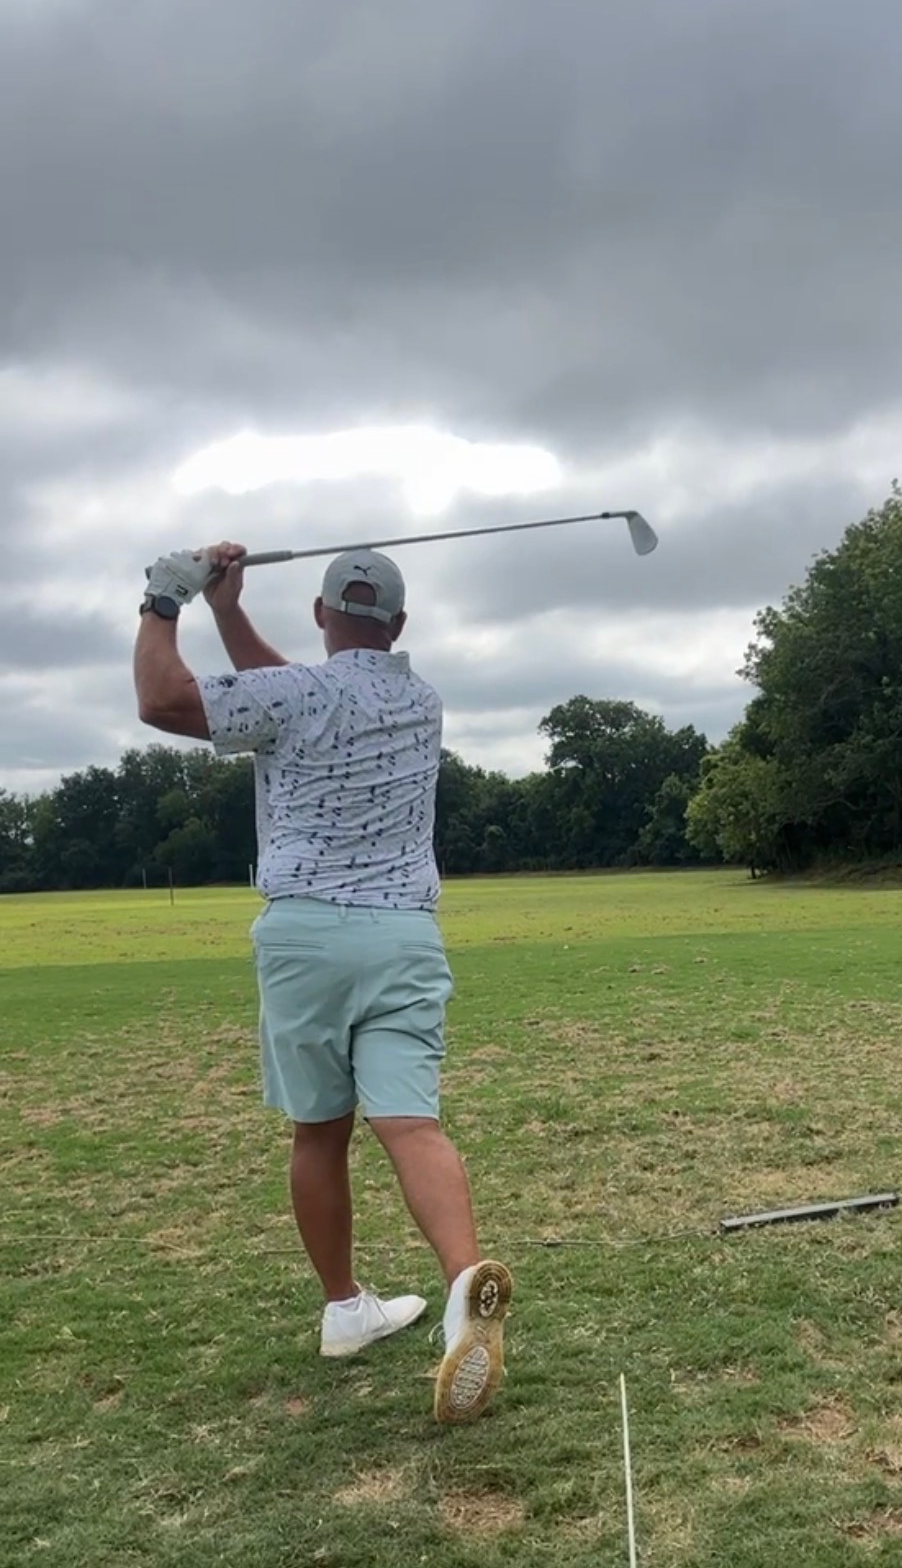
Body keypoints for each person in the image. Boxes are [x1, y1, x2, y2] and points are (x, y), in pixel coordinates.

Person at [133, 540, 511, 1425]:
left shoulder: (294, 695)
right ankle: (462, 1290)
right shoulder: (421, 701)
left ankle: (345, 1307)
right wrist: (229, 614)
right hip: (402, 936)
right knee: (411, 1125)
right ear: (400, 625)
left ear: (319, 613)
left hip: (304, 935)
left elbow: (161, 700)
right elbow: (304, 695)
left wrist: (167, 598)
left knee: (319, 1131)